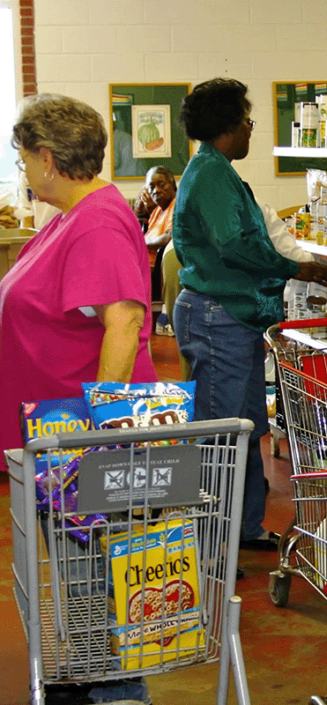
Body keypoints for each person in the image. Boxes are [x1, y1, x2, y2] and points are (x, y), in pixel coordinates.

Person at [2, 94, 157, 704]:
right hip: (58, 439)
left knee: (94, 580)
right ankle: (96, 683)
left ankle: (118, 694)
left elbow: (122, 322)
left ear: (46, 157)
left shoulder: (95, 220)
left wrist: (98, 433)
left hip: (82, 443)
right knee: (82, 581)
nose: (22, 170)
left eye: (21, 157)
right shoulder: (73, 214)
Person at [172, 78, 327, 551]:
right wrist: (295, 267)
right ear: (228, 125)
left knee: (246, 427)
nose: (250, 130)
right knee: (223, 433)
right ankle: (212, 541)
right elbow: (236, 245)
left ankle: (241, 529)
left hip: (234, 318)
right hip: (215, 316)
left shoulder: (217, 170)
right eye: (248, 121)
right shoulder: (210, 173)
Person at [162, 198, 318, 381]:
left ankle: (194, 390)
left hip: (176, 254)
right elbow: (288, 251)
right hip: (200, 262)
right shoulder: (259, 208)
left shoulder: (229, 194)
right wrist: (316, 267)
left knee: (190, 341)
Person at [142, 165, 178, 335]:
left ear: (173, 185)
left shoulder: (176, 205)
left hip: (152, 272)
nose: (156, 190)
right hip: (142, 266)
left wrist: (139, 244)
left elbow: (170, 237)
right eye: (151, 187)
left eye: (161, 184)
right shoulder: (157, 211)